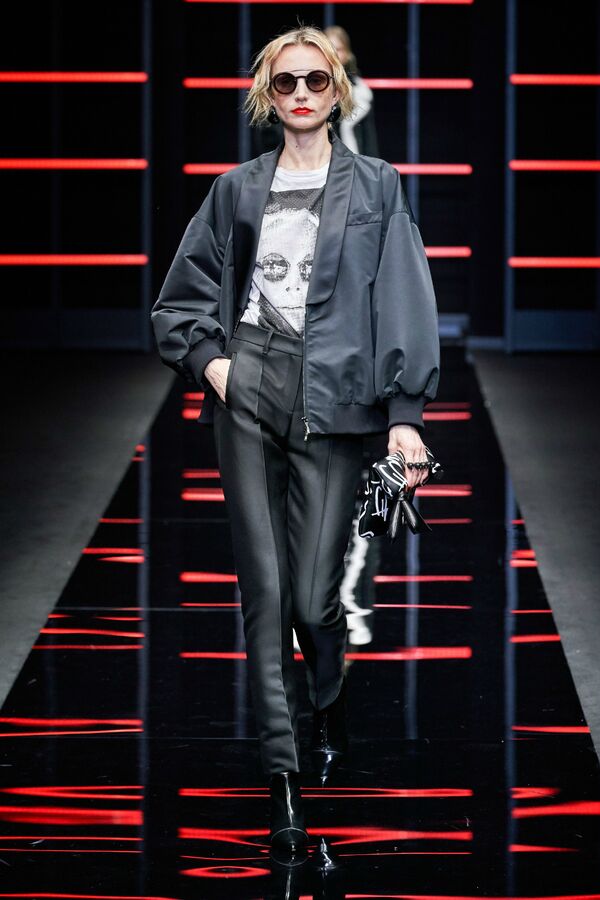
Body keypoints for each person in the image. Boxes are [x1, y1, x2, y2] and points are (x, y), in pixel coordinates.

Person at [150, 24, 440, 860]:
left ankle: (329, 696)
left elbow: (403, 295)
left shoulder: (378, 185)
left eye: (317, 80)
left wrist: (405, 413)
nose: (303, 93)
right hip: (249, 387)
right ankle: (283, 783)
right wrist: (215, 367)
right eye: (287, 82)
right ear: (266, 96)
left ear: (337, 91)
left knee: (315, 601)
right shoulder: (236, 190)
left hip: (338, 400)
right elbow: (180, 298)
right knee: (267, 596)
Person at [325, 25, 379, 157]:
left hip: (353, 163)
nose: (334, 54)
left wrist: (370, 168)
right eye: (329, 48)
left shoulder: (361, 91)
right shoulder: (307, 89)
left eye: (338, 49)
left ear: (347, 54)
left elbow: (369, 138)